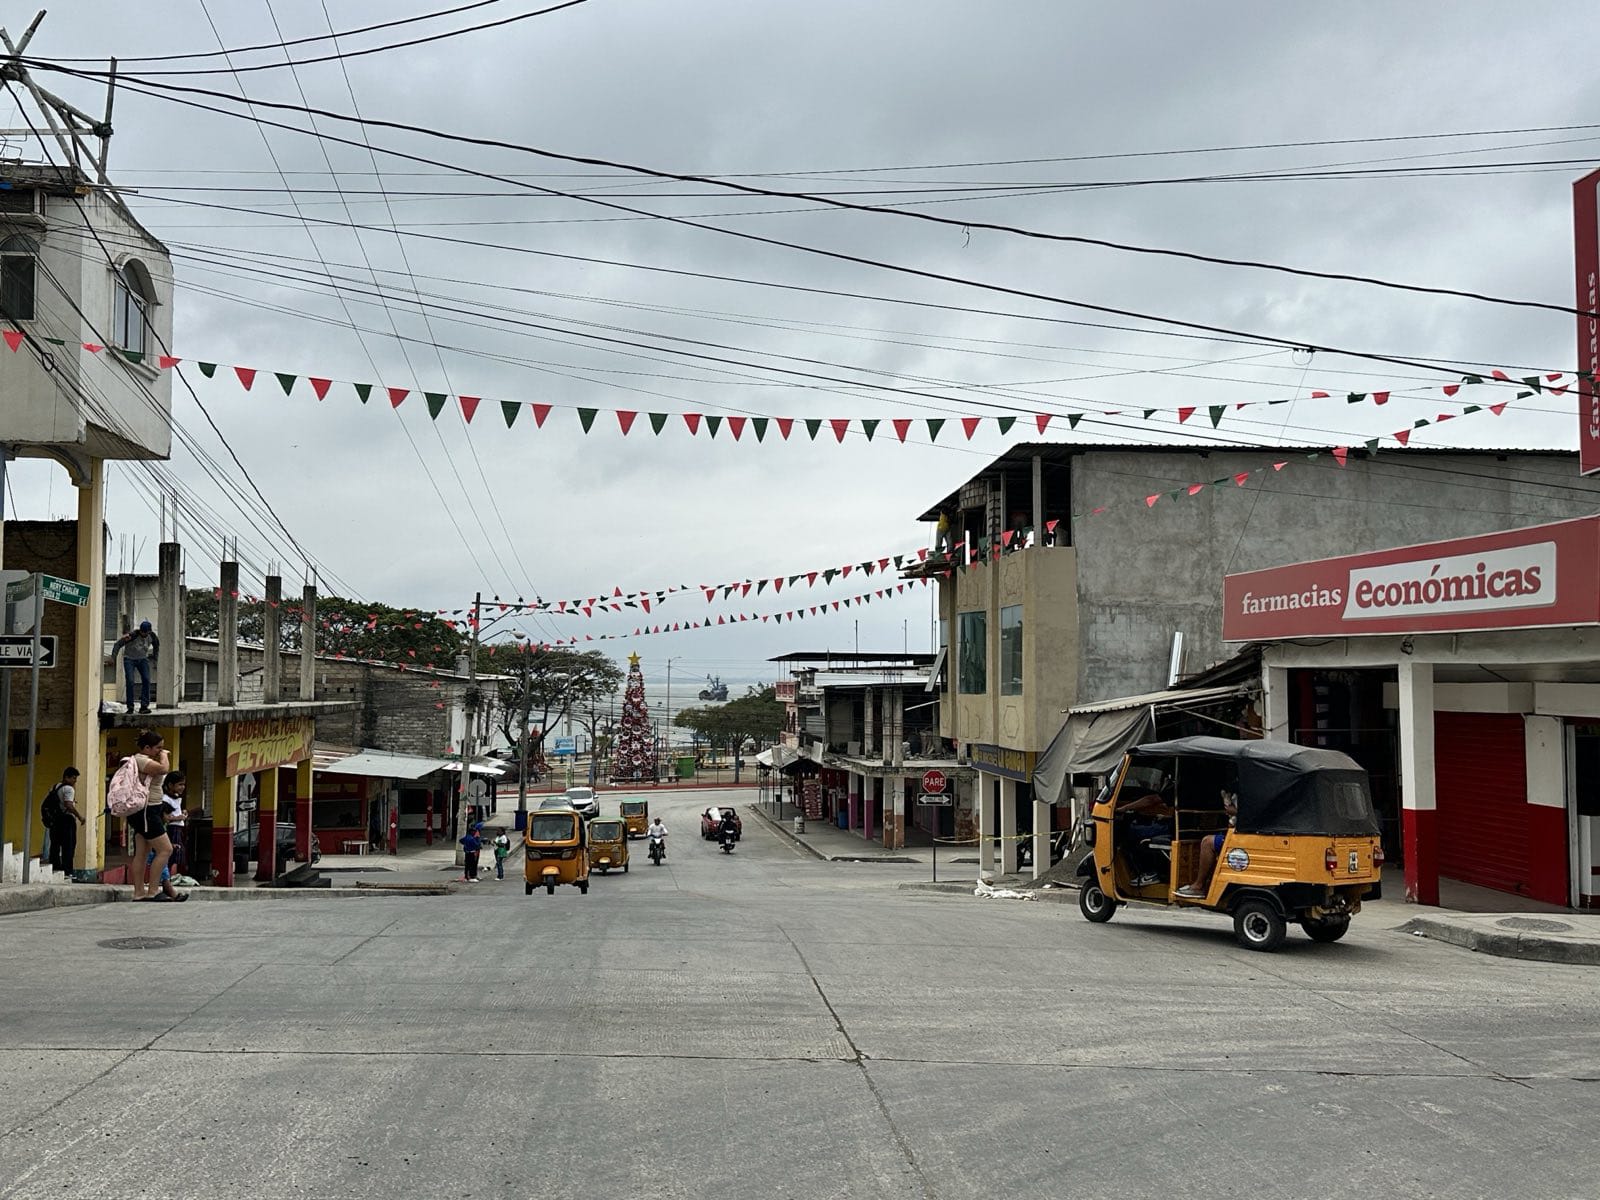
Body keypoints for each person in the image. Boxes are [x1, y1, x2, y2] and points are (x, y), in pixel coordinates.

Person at [124, 731, 179, 901]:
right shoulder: (141, 760)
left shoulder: (144, 760)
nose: (160, 751)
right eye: (158, 748)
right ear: (147, 748)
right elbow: (164, 769)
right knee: (165, 849)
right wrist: (164, 755)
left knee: (142, 852)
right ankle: (153, 890)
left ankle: (139, 892)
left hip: (148, 810)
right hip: (147, 812)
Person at [1177, 787, 1239, 899]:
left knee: (1207, 842)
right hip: (1237, 833)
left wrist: (1234, 812)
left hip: (1241, 837)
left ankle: (1198, 886)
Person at [42, 767, 84, 877]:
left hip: (55, 819)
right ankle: (67, 871)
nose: (75, 781)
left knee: (55, 844)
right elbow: (68, 805)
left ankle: (55, 867)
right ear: (66, 777)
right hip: (67, 820)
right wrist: (79, 816)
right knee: (68, 846)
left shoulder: (55, 787)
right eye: (73, 778)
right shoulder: (69, 789)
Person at [111, 620, 160, 714]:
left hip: (143, 659)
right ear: (140, 631)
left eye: (146, 633)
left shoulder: (152, 636)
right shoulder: (132, 635)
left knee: (146, 680)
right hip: (129, 659)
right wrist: (113, 658)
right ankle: (130, 707)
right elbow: (118, 644)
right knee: (130, 681)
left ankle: (144, 706)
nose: (144, 634)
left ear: (149, 632)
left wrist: (155, 659)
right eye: (143, 632)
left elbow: (156, 646)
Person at [161, 771, 189, 876]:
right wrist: (178, 818)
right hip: (172, 830)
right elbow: (165, 818)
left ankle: (166, 877)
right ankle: (164, 877)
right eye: (180, 784)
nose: (182, 787)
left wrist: (183, 813)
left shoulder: (175, 798)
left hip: (178, 829)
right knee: (171, 854)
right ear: (170, 785)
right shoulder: (166, 799)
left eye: (183, 784)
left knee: (176, 855)